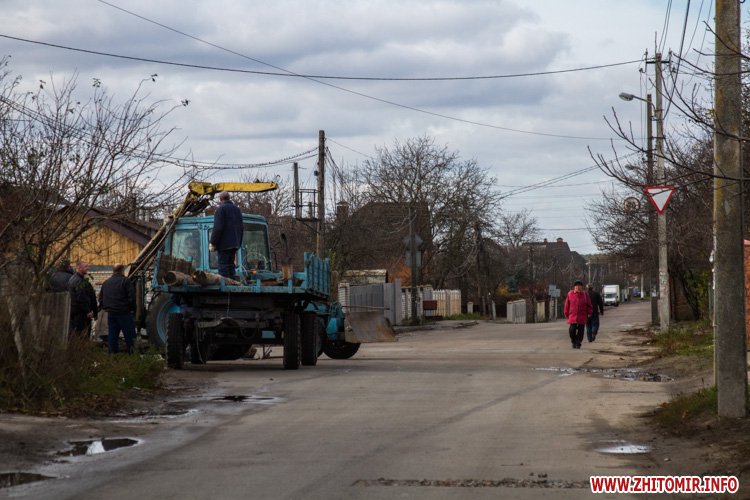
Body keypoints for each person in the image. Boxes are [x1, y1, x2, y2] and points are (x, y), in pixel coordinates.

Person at [99, 264, 137, 354]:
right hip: (124, 313)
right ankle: (132, 354)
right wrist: (132, 309)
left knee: (112, 335)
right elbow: (132, 297)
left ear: (113, 271)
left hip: (111, 313)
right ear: (122, 271)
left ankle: (113, 354)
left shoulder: (106, 282)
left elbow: (101, 298)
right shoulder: (125, 281)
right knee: (130, 335)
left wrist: (106, 307)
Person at [209, 191, 243, 280]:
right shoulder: (237, 210)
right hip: (235, 244)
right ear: (229, 198)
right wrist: (239, 243)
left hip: (224, 245)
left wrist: (213, 242)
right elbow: (241, 227)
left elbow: (218, 228)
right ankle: (233, 283)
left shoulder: (221, 209)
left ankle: (225, 286)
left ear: (220, 199)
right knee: (231, 266)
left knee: (223, 267)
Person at [67, 261, 98, 339]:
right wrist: (87, 311)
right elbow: (81, 298)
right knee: (82, 335)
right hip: (80, 314)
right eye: (85, 267)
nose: (88, 268)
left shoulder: (76, 279)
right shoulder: (79, 281)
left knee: (77, 335)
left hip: (77, 313)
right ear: (79, 268)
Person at [563, 280, 592, 349]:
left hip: (582, 315)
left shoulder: (585, 295)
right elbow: (567, 304)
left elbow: (589, 305)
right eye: (576, 286)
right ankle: (573, 341)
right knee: (572, 330)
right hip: (572, 315)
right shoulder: (570, 294)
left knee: (581, 331)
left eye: (579, 286)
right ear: (574, 287)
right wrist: (566, 313)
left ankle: (578, 343)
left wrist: (589, 312)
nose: (578, 287)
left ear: (582, 287)